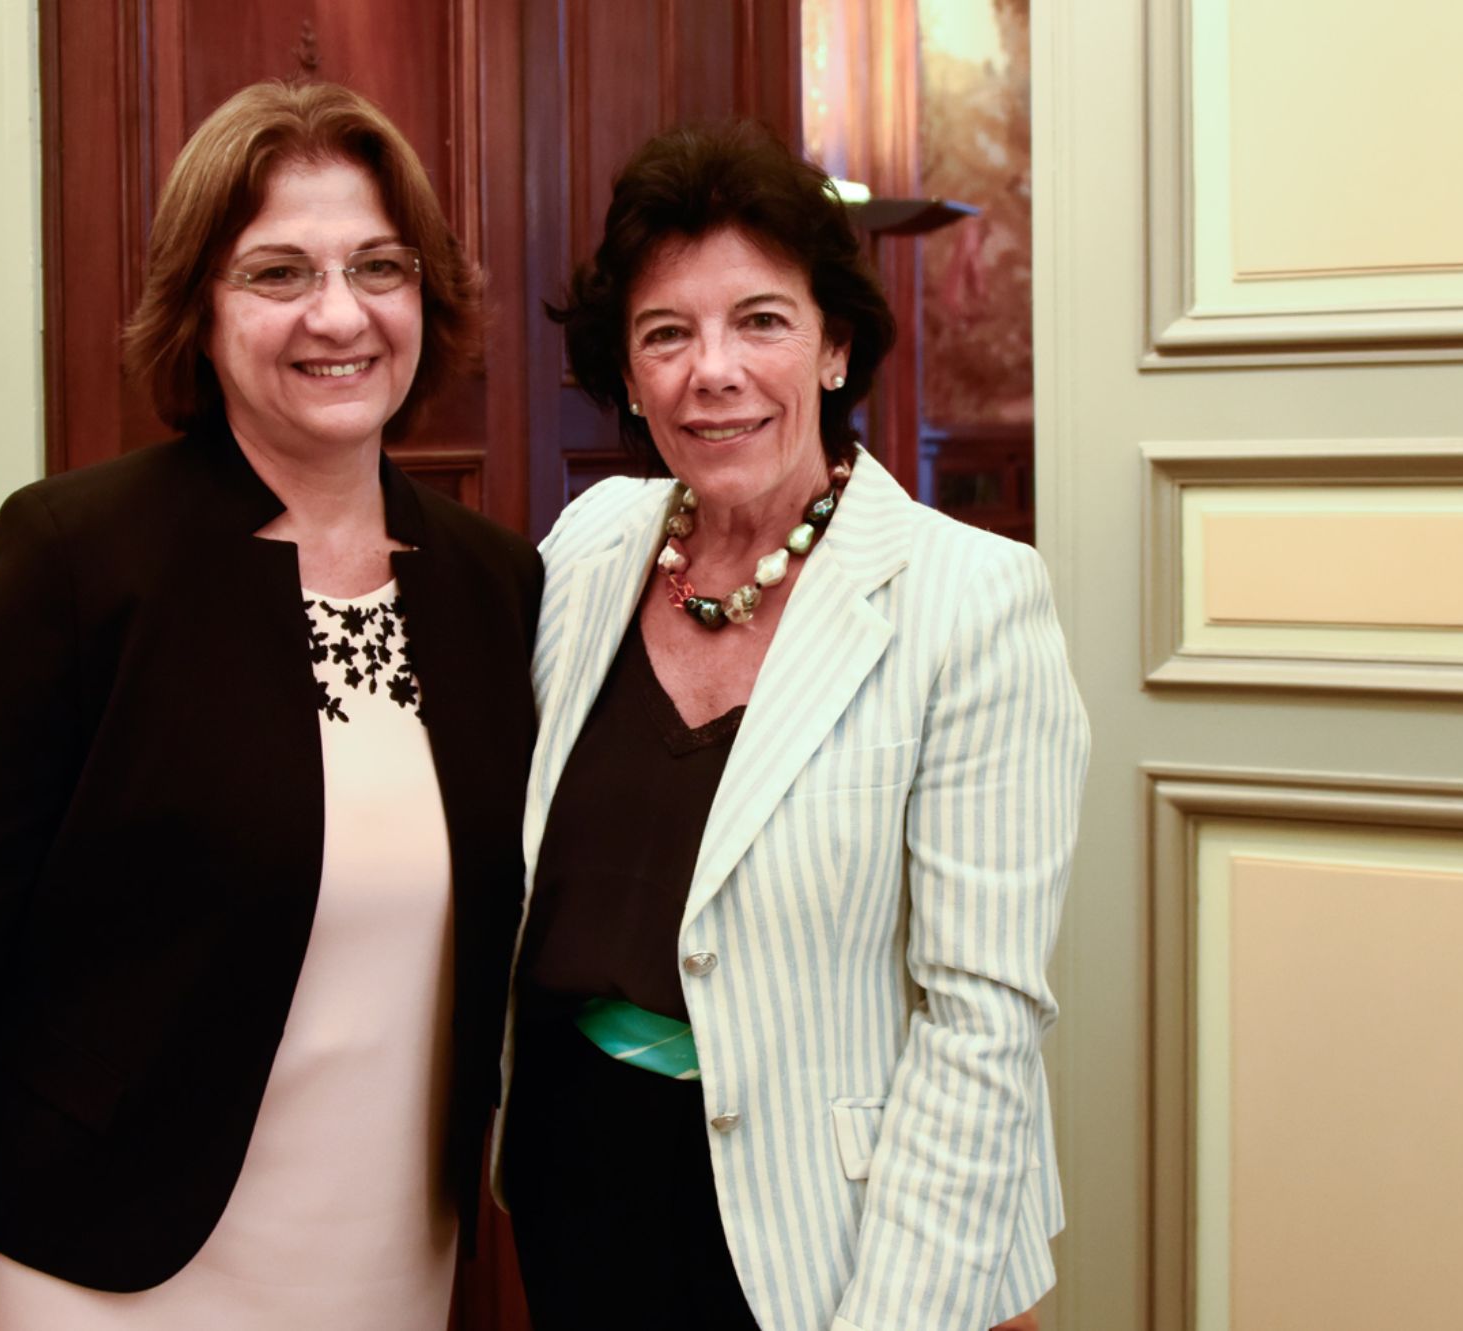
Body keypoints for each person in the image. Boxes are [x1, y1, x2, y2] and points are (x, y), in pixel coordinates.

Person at [0, 80, 541, 1331]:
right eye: (278, 273)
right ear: (199, 312)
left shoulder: (496, 587)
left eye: (379, 266)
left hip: (392, 1263)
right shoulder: (74, 559)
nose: (341, 312)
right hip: (98, 1268)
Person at [499, 121, 1088, 1331]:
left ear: (832, 346)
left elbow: (982, 1024)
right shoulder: (588, 547)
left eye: (761, 320)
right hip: (578, 1181)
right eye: (667, 333)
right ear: (627, 370)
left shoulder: (970, 598)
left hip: (848, 1231)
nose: (713, 370)